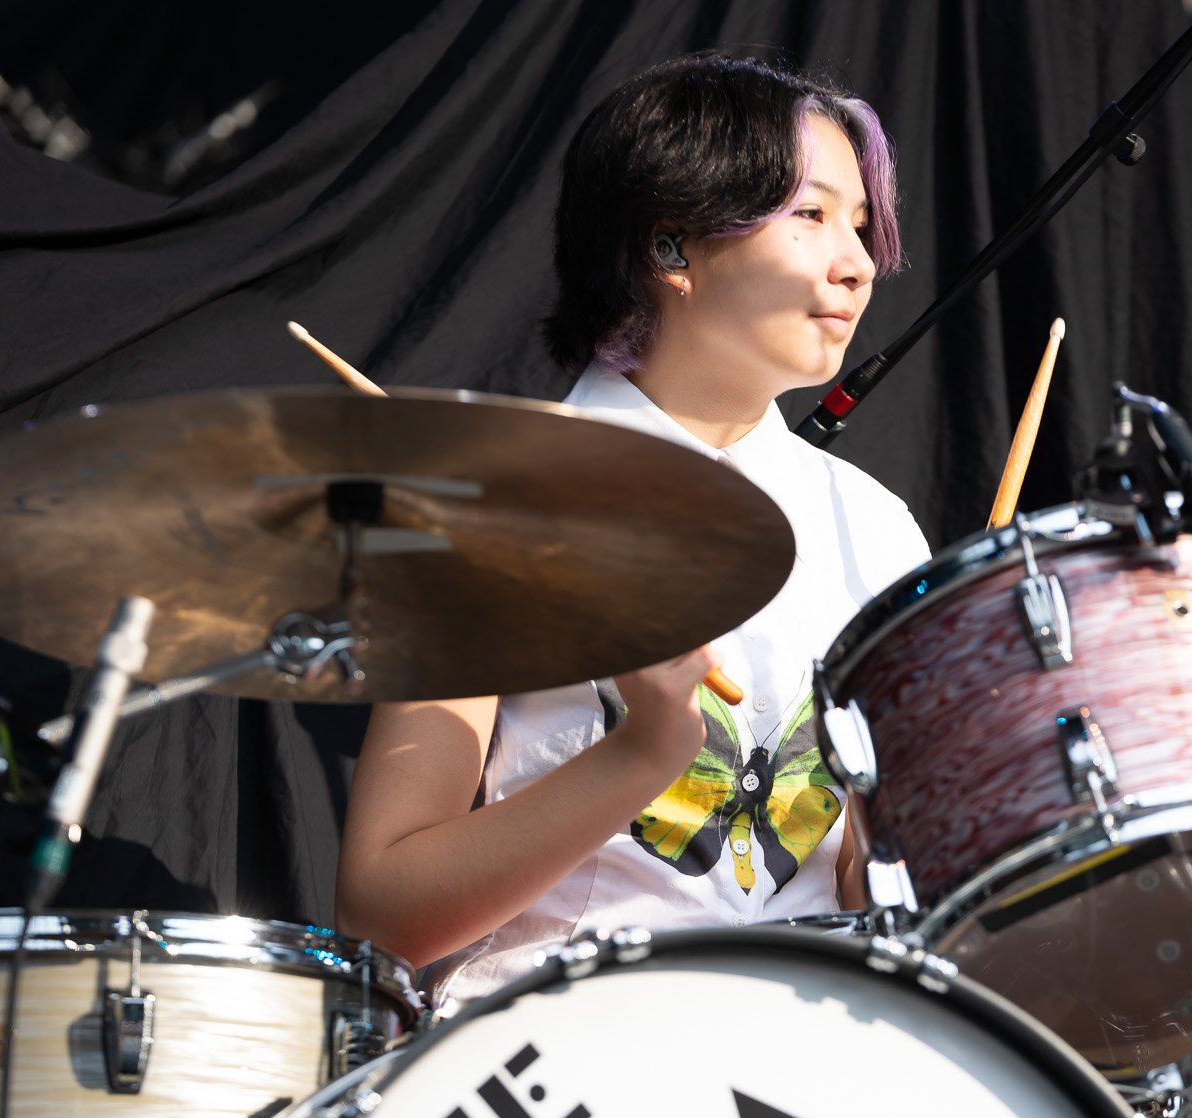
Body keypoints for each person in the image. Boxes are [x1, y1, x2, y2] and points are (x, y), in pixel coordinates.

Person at [336, 53, 930, 1014]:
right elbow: (379, 913)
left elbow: (876, 905)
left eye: (860, 224)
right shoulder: (500, 501)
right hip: (552, 1057)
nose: (858, 263)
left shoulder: (876, 531)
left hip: (813, 1054)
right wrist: (643, 750)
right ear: (671, 248)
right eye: (812, 215)